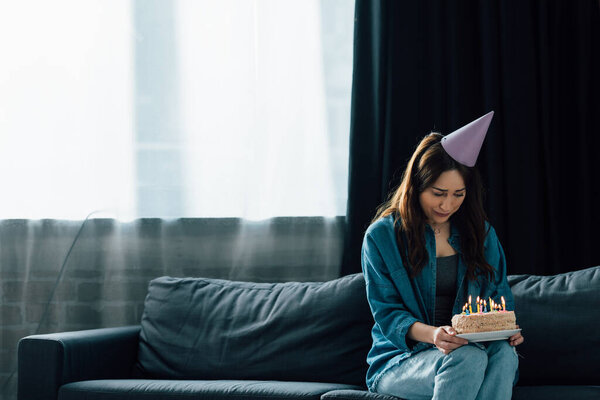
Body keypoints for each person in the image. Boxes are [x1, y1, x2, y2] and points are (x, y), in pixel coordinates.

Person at [361, 111, 524, 400]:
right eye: (438, 193)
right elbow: (388, 314)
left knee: (505, 354)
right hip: (401, 361)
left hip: (473, 351)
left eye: (458, 194)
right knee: (467, 357)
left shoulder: (482, 235)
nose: (447, 204)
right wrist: (435, 335)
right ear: (417, 186)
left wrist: (507, 330)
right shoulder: (381, 237)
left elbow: (499, 297)